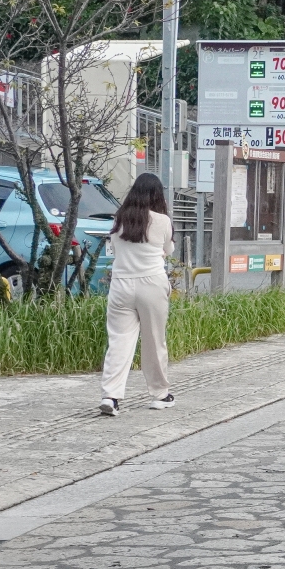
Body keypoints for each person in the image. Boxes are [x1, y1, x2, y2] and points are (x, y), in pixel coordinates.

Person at [98, 172, 175, 415]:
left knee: (119, 341)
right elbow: (168, 249)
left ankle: (111, 396)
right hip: (151, 283)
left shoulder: (120, 219)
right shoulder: (162, 220)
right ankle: (159, 394)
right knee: (154, 340)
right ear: (157, 195)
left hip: (121, 285)